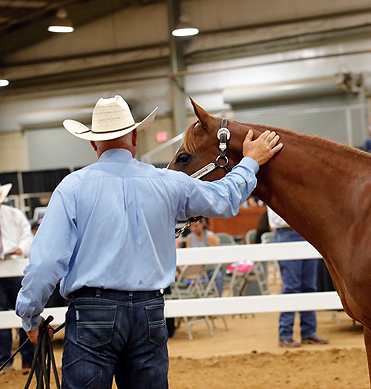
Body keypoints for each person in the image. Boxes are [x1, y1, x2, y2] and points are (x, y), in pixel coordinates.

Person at [15, 95, 282, 389]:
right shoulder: (168, 182)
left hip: (93, 311)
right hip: (149, 311)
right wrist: (250, 163)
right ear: (134, 135)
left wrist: (30, 316)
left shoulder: (73, 187)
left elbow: (46, 263)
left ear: (93, 144)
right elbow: (225, 199)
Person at [267, 207, 329, 348]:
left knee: (309, 286)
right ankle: (285, 334)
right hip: (288, 234)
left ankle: (308, 332)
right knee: (292, 285)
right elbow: (276, 220)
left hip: (306, 233)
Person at [0, 183, 34, 371]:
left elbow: (27, 237)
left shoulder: (14, 215)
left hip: (16, 269)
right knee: (1, 318)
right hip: (2, 272)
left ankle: (28, 359)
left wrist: (21, 248)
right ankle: (4, 362)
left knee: (24, 313)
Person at [185, 218, 224, 296]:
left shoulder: (209, 236)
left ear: (202, 224)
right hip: (196, 269)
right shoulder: (189, 237)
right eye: (191, 227)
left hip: (211, 268)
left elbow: (217, 256)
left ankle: (219, 297)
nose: (194, 229)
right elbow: (188, 256)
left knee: (217, 276)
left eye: (196, 226)